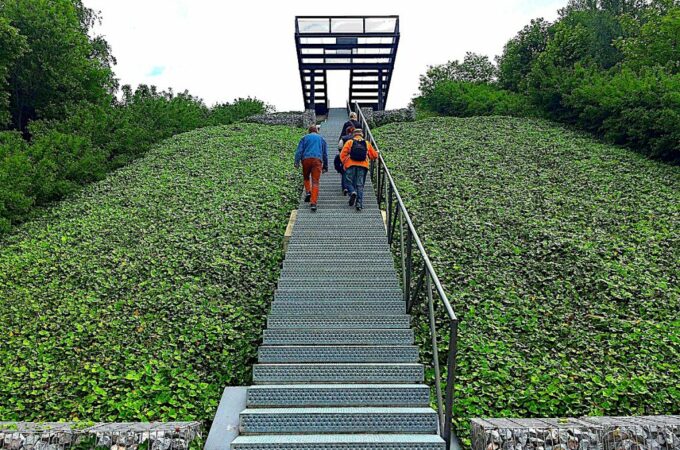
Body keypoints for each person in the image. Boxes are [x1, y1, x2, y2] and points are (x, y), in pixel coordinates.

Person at [340, 128, 378, 212]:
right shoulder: (367, 143)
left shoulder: (350, 142)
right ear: (362, 135)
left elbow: (342, 154)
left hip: (351, 165)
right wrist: (376, 153)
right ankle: (359, 204)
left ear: (354, 134)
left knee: (348, 182)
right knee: (360, 185)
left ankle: (352, 192)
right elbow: (374, 156)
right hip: (363, 166)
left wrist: (345, 163)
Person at [294, 125, 328, 212]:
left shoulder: (304, 138)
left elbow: (299, 151)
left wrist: (296, 162)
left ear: (309, 131)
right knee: (315, 182)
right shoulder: (321, 139)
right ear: (316, 131)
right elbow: (325, 154)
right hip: (317, 160)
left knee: (306, 177)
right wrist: (325, 166)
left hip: (306, 159)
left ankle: (308, 191)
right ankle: (313, 203)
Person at [335, 125, 355, 195]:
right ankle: (352, 188)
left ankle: (345, 188)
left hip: (344, 157)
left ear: (347, 131)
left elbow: (339, 146)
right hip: (353, 158)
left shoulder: (343, 138)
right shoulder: (355, 139)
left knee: (344, 172)